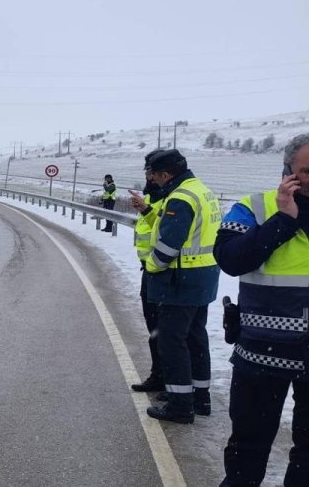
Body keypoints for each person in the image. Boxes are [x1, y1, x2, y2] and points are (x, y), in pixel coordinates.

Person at [216, 134, 309, 486]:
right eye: (307, 171)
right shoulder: (254, 207)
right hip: (261, 356)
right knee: (247, 449)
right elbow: (231, 259)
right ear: (287, 170)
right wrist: (283, 221)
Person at [142, 149, 221, 423]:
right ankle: (200, 398)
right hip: (204, 277)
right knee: (196, 338)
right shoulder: (201, 190)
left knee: (172, 342)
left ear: (167, 175)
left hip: (181, 281)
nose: (155, 181)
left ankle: (180, 405)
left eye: (157, 176)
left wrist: (152, 266)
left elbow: (168, 246)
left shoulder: (180, 198)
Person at [128, 153, 164, 393]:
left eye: (151, 173)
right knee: (155, 331)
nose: (147, 177)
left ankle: (175, 383)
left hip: (165, 273)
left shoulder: (172, 199)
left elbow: (165, 231)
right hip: (150, 270)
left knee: (166, 333)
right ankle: (159, 376)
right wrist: (144, 208)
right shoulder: (153, 197)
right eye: (146, 173)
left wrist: (148, 209)